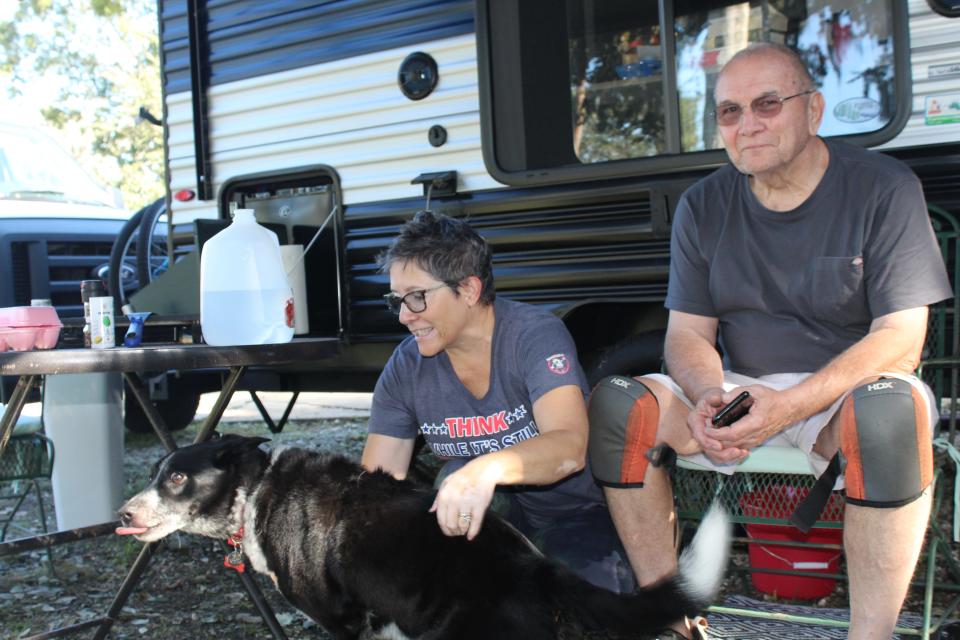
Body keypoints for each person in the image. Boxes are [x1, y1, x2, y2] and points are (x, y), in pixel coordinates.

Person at [587, 42, 952, 639]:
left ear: (813, 111)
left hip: (843, 393)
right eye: (729, 112)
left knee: (891, 413)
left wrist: (791, 405)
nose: (746, 125)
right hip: (740, 388)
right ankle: (672, 623)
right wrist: (709, 394)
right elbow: (687, 335)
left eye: (766, 104)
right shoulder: (703, 206)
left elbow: (901, 338)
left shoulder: (884, 188)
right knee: (618, 405)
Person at [361, 210, 635, 593]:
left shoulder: (533, 336)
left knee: (595, 608)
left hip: (571, 515)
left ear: (469, 290)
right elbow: (376, 485)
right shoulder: (407, 366)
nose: (405, 316)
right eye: (397, 300)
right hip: (485, 525)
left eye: (418, 297)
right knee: (449, 485)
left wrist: (484, 470)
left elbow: (569, 446)